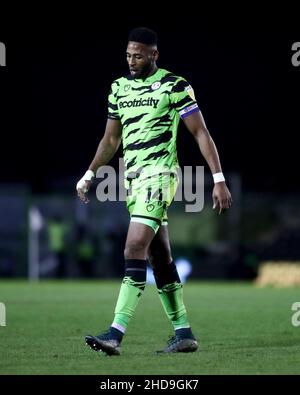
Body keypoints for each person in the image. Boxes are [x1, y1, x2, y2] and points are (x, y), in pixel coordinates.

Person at [76, 27, 232, 355]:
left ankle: (115, 334)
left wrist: (218, 178)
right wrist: (90, 173)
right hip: (132, 181)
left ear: (154, 55)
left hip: (160, 176)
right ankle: (184, 333)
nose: (132, 61)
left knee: (133, 246)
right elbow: (111, 140)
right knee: (159, 257)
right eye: (129, 55)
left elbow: (200, 133)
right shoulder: (118, 89)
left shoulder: (175, 86)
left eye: (139, 55)